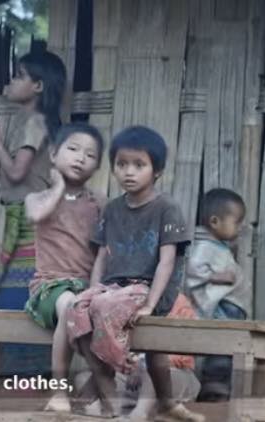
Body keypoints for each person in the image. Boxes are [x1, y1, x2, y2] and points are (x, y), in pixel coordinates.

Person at [66, 126, 205, 421]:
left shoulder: (167, 208)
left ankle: (118, 373)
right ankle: (112, 384)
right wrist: (92, 292)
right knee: (76, 308)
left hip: (148, 289)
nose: (129, 172)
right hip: (114, 289)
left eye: (139, 165)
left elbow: (167, 262)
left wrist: (151, 304)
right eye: (121, 164)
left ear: (157, 171)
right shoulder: (113, 209)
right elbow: (101, 256)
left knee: (111, 309)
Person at [0, 50, 67, 375]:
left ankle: (25, 375)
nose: (11, 81)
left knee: (16, 299)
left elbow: (16, 173)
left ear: (38, 86)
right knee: (14, 297)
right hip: (23, 218)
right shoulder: (29, 122)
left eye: (18, 76)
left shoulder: (35, 122)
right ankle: (19, 375)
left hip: (30, 222)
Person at [22, 122, 105, 412]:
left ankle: (94, 394)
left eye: (90, 155)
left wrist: (96, 289)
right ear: (53, 154)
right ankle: (59, 392)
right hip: (50, 287)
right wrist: (57, 187)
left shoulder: (99, 203)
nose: (81, 158)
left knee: (106, 315)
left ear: (97, 167)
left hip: (88, 287)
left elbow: (104, 250)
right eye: (73, 149)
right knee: (70, 304)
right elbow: (36, 215)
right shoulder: (37, 198)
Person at [184, 188, 248, 401]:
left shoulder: (218, 246)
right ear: (214, 221)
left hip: (230, 307)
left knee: (228, 348)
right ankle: (214, 389)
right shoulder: (205, 247)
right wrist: (216, 276)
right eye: (237, 222)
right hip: (221, 308)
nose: (240, 227)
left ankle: (217, 387)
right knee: (222, 346)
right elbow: (193, 270)